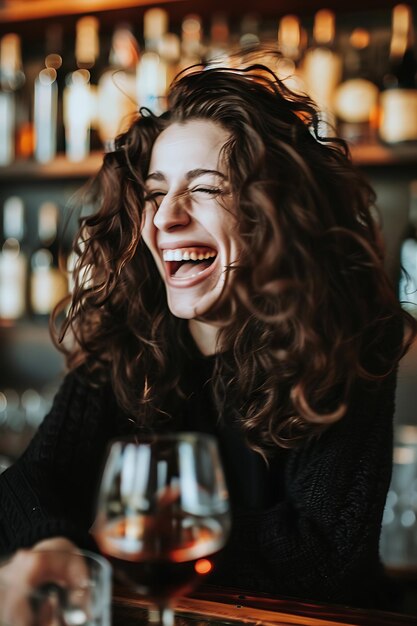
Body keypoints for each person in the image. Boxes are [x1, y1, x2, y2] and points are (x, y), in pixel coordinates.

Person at [0, 60, 415, 611]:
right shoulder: (127, 329)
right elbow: (30, 484)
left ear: (275, 212)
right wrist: (56, 542)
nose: (166, 218)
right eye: (154, 192)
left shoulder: (349, 337)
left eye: (205, 188)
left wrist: (118, 529)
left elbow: (320, 554)